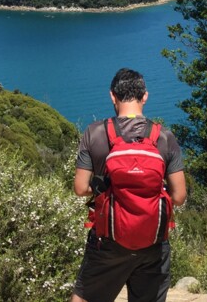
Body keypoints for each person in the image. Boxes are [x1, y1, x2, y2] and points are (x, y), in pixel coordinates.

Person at [71, 68, 187, 302]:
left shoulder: (94, 134)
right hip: (153, 242)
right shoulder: (164, 137)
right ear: (145, 96)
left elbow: (80, 188)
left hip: (107, 241)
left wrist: (107, 188)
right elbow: (179, 196)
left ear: (112, 96)